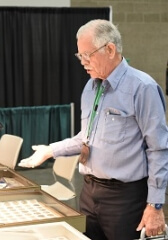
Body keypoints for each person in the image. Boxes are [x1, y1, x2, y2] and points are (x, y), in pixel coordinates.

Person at [19, 19, 168, 240]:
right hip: (89, 192)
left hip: (124, 198)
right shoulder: (91, 87)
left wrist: (155, 205)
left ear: (109, 49)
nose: (83, 62)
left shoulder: (142, 87)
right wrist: (50, 150)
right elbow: (87, 138)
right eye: (80, 56)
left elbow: (158, 149)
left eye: (87, 55)